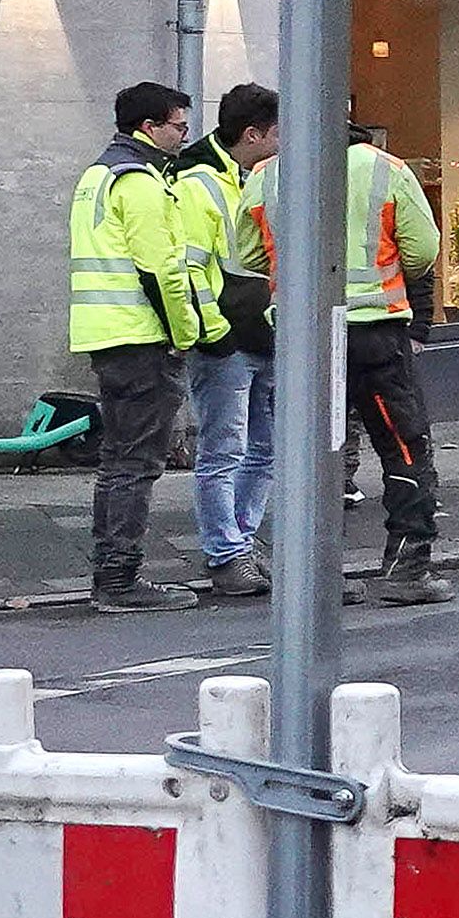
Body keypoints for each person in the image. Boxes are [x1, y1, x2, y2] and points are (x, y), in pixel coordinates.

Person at [253, 123, 450, 606]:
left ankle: (317, 573)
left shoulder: (267, 175)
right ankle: (407, 566)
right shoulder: (387, 169)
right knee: (404, 445)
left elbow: (248, 252)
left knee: (315, 453)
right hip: (374, 333)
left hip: (303, 335)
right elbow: (423, 250)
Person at [68, 78, 219, 611]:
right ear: (148, 128)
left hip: (107, 336)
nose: (184, 136)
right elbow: (162, 271)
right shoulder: (141, 182)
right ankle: (119, 581)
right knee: (136, 464)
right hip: (141, 337)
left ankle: (109, 575)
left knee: (117, 460)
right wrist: (186, 333)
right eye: (178, 126)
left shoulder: (97, 175)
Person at [173, 83, 279, 604]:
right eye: (279, 134)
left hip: (262, 334)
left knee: (264, 449)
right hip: (230, 342)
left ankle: (240, 539)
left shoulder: (253, 177)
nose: (287, 145)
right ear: (254, 135)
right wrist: (211, 336)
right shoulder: (201, 184)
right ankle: (225, 553)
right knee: (225, 451)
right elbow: (190, 267)